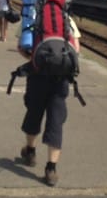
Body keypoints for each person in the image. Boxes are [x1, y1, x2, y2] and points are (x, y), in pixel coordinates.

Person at [19, 16, 81, 187]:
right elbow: (76, 49)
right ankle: (51, 169)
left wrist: (36, 60)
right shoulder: (67, 18)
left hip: (37, 77)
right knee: (55, 121)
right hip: (60, 80)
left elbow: (22, 48)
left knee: (34, 114)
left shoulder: (32, 16)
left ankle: (30, 151)